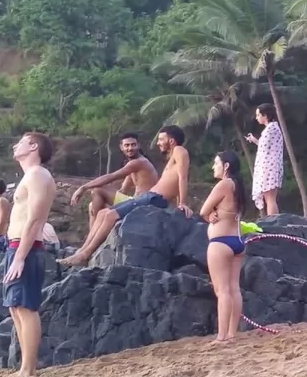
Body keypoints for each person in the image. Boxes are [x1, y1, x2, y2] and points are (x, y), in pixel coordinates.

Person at [59, 126, 193, 267]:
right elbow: (174, 182)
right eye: (126, 145)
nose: (158, 142)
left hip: (153, 198)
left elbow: (182, 177)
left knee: (110, 215)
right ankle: (82, 250)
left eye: (161, 139)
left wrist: (182, 203)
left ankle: (85, 255)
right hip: (150, 196)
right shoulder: (171, 156)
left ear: (171, 140)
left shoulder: (179, 150)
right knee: (103, 213)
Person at [3, 132, 56, 377]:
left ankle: (29, 369)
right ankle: (27, 365)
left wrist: (20, 256)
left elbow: (34, 218)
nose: (16, 144)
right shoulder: (30, 175)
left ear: (33, 146)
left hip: (27, 248)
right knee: (15, 306)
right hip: (16, 246)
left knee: (25, 306)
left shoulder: (37, 174)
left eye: (21, 141)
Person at [200, 150, 247, 343]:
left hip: (220, 243)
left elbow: (203, 209)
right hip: (237, 242)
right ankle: (232, 334)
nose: (213, 166)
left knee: (222, 291)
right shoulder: (238, 186)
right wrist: (211, 214)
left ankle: (221, 336)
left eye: (216, 162)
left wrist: (207, 215)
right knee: (234, 288)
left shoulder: (224, 184)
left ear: (226, 165)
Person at [70, 133, 159, 229]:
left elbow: (111, 177)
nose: (130, 148)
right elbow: (123, 191)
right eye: (127, 145)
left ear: (139, 145)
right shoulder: (132, 165)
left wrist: (83, 188)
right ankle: (94, 234)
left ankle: (94, 233)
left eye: (133, 144)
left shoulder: (139, 162)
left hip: (143, 204)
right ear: (121, 147)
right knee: (93, 205)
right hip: (134, 201)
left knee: (98, 190)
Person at [246, 104, 284, 217]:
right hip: (270, 168)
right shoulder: (271, 129)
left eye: (258, 115)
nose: (257, 117)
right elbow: (265, 146)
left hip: (270, 169)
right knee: (269, 198)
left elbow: (265, 149)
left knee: (270, 198)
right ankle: (273, 221)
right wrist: (254, 140)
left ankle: (273, 222)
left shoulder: (271, 129)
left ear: (265, 115)